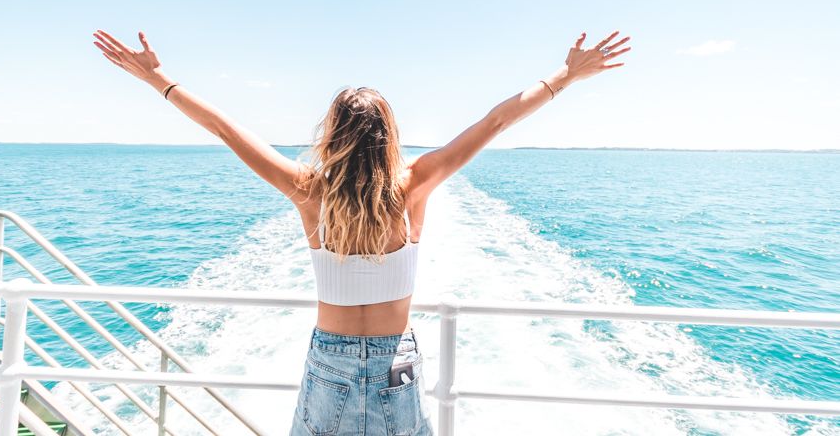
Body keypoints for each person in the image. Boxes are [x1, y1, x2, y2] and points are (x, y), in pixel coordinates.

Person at [91, 28, 631, 435]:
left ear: (334, 134)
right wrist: (565, 75)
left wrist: (156, 79)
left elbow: (225, 128)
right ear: (389, 135)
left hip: (331, 357)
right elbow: (495, 122)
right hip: (397, 356)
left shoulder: (309, 191)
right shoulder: (414, 185)